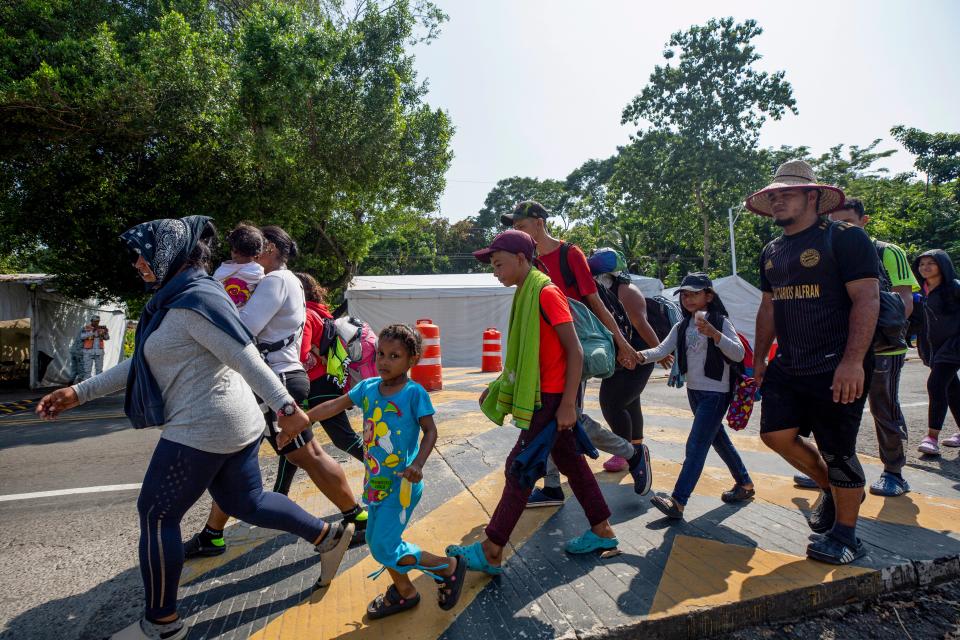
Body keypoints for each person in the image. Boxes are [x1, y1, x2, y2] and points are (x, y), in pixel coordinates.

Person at [35, 216, 353, 640]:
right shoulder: (175, 300)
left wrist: (285, 406)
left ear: (167, 254)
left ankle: (163, 624)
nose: (137, 264)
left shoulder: (194, 302)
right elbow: (146, 358)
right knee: (248, 501)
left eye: (142, 256)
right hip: (228, 421)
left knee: (157, 512)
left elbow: (244, 356)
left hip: (204, 425)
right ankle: (328, 537)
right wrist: (80, 392)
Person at [443, 230, 619, 576]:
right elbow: (528, 357)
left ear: (522, 259)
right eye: (492, 265)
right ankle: (602, 531)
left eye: (499, 263)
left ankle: (492, 548)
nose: (495, 270)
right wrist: (498, 387)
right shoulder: (528, 291)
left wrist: (568, 404)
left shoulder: (545, 292)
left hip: (551, 398)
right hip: (547, 394)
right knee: (571, 462)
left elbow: (575, 350)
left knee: (519, 467)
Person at [183, 225, 366, 558]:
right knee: (231, 457)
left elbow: (244, 327)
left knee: (307, 455)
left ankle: (358, 516)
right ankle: (212, 534)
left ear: (267, 248)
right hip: (266, 380)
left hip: (276, 381)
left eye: (258, 247)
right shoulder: (284, 281)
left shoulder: (276, 280)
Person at [747, 160, 880, 565]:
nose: (778, 200)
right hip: (790, 363)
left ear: (812, 197)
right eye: (773, 195)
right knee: (775, 434)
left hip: (837, 364)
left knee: (838, 451)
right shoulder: (771, 251)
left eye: (787, 193)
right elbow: (768, 308)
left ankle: (847, 536)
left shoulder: (845, 238)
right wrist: (759, 360)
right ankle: (835, 490)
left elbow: (867, 299)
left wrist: (853, 361)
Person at [302, 324, 466, 619]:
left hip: (403, 484)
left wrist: (418, 465)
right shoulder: (367, 388)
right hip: (376, 483)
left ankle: (447, 568)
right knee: (378, 540)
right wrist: (306, 419)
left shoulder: (414, 394)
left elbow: (430, 432)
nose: (384, 361)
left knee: (384, 546)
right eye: (381, 354)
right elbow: (335, 405)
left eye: (395, 356)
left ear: (411, 360)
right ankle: (405, 592)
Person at [502, 201, 651, 506]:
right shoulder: (526, 261)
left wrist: (621, 343)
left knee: (570, 418)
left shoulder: (570, 255)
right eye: (515, 227)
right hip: (540, 352)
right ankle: (554, 486)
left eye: (522, 225)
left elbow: (595, 303)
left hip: (572, 350)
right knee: (549, 417)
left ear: (540, 222)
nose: (518, 230)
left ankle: (631, 452)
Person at [821, 199, 920, 496]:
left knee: (883, 408)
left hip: (883, 348)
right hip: (842, 347)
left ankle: (894, 472)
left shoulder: (888, 252)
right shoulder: (830, 253)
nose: (842, 228)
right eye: (836, 223)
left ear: (864, 221)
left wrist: (873, 331)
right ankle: (834, 470)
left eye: (848, 222)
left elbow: (906, 302)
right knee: (832, 409)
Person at [636, 273, 753, 519]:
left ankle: (678, 501)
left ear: (709, 296)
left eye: (694, 294)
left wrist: (714, 334)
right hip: (695, 392)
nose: (688, 299)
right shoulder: (682, 326)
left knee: (696, 445)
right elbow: (661, 350)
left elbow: (739, 354)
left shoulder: (720, 322)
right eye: (685, 295)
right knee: (717, 439)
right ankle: (744, 483)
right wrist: (637, 356)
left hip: (716, 394)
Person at [586, 248, 672, 473]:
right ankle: (636, 448)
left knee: (612, 402)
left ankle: (624, 453)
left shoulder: (627, 291)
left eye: (598, 275)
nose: (596, 279)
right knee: (630, 402)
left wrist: (659, 351)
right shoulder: (605, 290)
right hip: (620, 356)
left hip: (639, 355)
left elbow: (642, 324)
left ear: (609, 274)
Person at [912, 250, 960, 454]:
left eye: (931, 263)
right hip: (933, 349)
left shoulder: (954, 288)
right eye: (922, 264)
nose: (925, 267)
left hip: (954, 346)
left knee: (936, 384)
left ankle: (932, 437)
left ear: (942, 265)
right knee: (953, 390)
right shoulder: (920, 291)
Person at [213, 223, 265, 308]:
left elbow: (213, 290)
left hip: (220, 311)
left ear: (234, 251)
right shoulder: (260, 272)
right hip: (244, 316)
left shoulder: (224, 269)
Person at [78, 315, 109, 381]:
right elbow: (82, 337)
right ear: (91, 321)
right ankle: (86, 386)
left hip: (99, 352)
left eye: (97, 321)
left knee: (99, 371)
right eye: (95, 321)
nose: (96, 323)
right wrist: (92, 332)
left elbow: (107, 338)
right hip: (88, 352)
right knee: (87, 371)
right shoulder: (86, 328)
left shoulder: (102, 328)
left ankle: (98, 386)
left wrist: (105, 332)